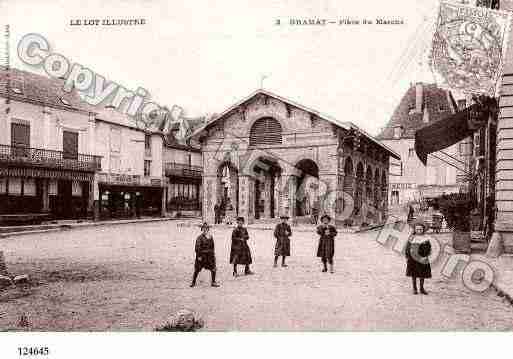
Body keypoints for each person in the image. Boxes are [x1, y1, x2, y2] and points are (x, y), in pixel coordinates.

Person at [405, 220, 431, 295]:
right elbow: (407, 248)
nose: (419, 231)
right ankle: (414, 288)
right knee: (414, 274)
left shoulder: (425, 238)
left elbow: (428, 248)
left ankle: (422, 288)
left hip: (422, 258)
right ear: (415, 230)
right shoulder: (411, 238)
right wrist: (407, 257)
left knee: (422, 274)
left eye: (420, 229)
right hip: (413, 259)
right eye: (417, 229)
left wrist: (426, 256)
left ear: (423, 230)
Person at [190, 222, 220, 288]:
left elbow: (212, 247)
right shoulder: (199, 238)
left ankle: (213, 282)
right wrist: (199, 256)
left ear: (208, 229)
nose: (205, 230)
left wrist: (213, 255)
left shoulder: (210, 237)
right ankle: (193, 282)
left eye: (206, 229)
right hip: (202, 256)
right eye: (203, 229)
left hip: (209, 256)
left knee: (213, 269)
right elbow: (197, 248)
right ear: (202, 230)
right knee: (197, 270)